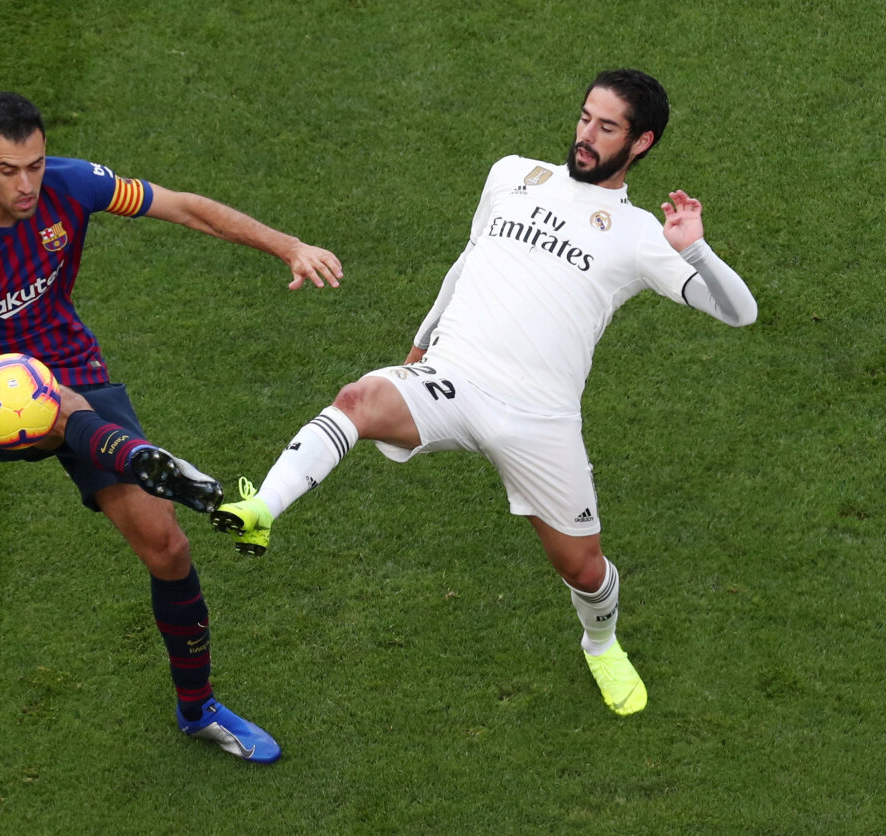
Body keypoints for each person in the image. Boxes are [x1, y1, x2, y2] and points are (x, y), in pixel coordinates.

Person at [0, 91, 343, 762]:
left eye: (35, 166)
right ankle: (141, 458)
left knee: (169, 549)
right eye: (8, 170)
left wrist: (288, 246)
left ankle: (197, 711)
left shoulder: (73, 185)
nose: (26, 185)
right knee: (50, 399)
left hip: (73, 370)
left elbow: (183, 206)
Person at [211, 69, 756, 717]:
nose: (585, 136)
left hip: (541, 419)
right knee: (358, 399)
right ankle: (263, 508)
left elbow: (740, 312)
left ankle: (601, 644)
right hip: (456, 379)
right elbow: (468, 261)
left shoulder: (641, 236)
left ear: (641, 143)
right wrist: (420, 345)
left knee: (583, 569)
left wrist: (696, 251)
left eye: (607, 127)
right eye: (585, 117)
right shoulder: (511, 175)